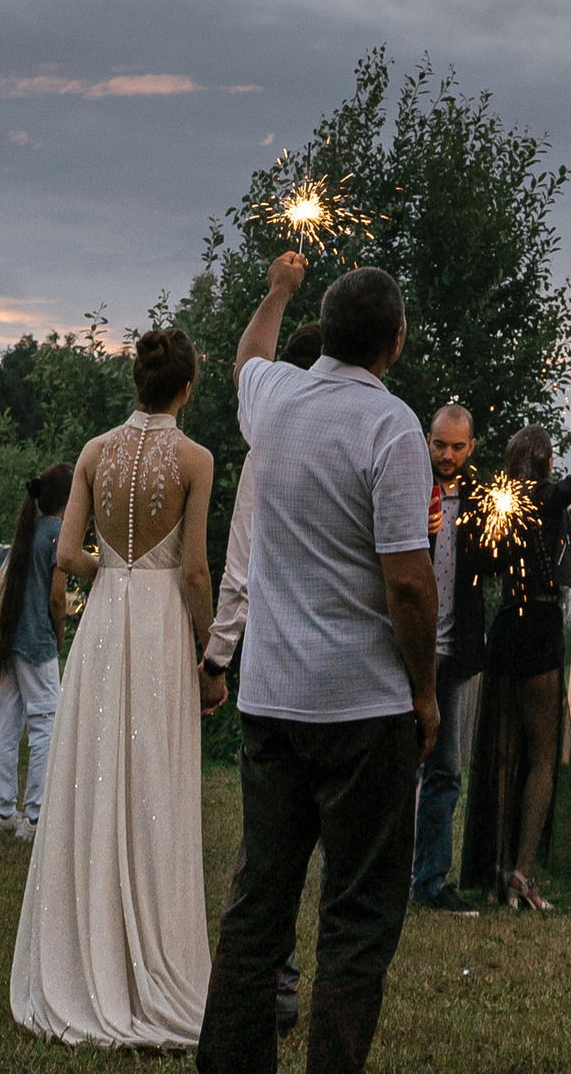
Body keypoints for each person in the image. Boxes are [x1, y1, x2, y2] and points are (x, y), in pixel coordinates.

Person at [194, 252, 437, 1074]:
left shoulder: (278, 401)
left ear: (326, 335)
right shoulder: (392, 426)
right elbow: (407, 579)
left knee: (258, 901)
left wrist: (278, 290)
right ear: (394, 342)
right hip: (363, 707)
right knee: (357, 918)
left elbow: (245, 360)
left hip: (271, 700)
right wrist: (426, 693)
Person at [12, 324, 215, 1044]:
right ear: (187, 388)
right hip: (160, 626)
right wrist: (211, 651)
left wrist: (116, 575)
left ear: (138, 382)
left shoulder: (96, 453)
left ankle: (85, 951)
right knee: (152, 775)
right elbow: (193, 572)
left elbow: (68, 552)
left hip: (105, 624)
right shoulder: (195, 459)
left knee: (96, 770)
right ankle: (148, 961)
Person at [202, 323, 327, 1032]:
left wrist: (218, 660)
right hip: (338, 682)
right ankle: (276, 980)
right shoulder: (368, 435)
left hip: (279, 677)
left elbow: (239, 572)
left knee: (270, 848)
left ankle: (268, 980)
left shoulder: (271, 448)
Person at [459, 412, 571, 912]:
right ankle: (522, 872)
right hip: (535, 626)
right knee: (542, 756)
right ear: (546, 461)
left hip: (505, 627)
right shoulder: (540, 499)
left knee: (506, 751)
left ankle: (497, 868)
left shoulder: (498, 504)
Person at [410, 402, 480, 916]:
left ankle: (432, 880)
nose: (448, 454)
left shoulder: (483, 500)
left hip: (454, 653)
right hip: (408, 650)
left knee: (446, 771)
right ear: (427, 440)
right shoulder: (410, 487)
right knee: (394, 768)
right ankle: (384, 874)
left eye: (457, 446)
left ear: (471, 447)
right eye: (440, 444)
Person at [0, 462, 72, 843]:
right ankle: (34, 818)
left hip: (12, 639)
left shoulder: (30, 531)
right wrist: (60, 631)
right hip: (37, 642)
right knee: (45, 725)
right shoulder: (58, 534)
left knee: (8, 723)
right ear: (71, 498)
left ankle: (2, 809)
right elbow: (57, 598)